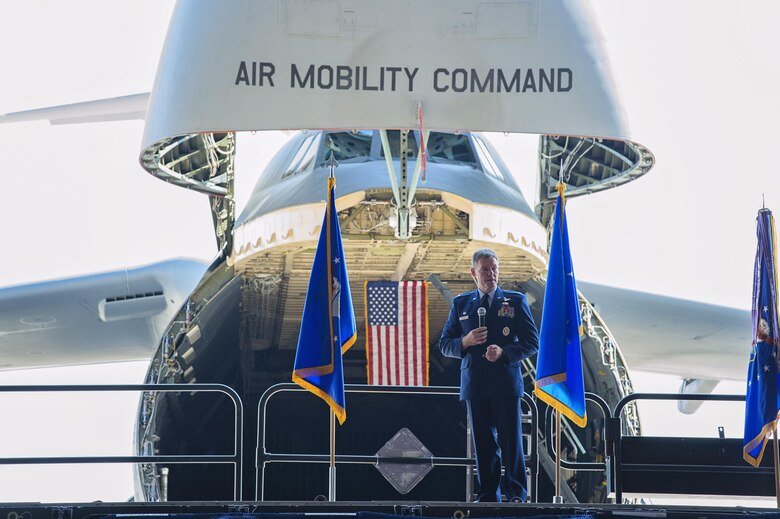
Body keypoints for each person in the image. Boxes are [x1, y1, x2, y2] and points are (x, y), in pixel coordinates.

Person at [439, 248, 539, 502]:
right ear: (474, 273)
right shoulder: (461, 304)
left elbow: (531, 342)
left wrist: (504, 352)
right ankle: (488, 495)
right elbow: (445, 344)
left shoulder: (514, 302)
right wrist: (466, 341)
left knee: (511, 442)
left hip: (505, 383)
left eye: (494, 268)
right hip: (475, 384)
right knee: (483, 443)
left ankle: (516, 493)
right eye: (485, 269)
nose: (491, 274)